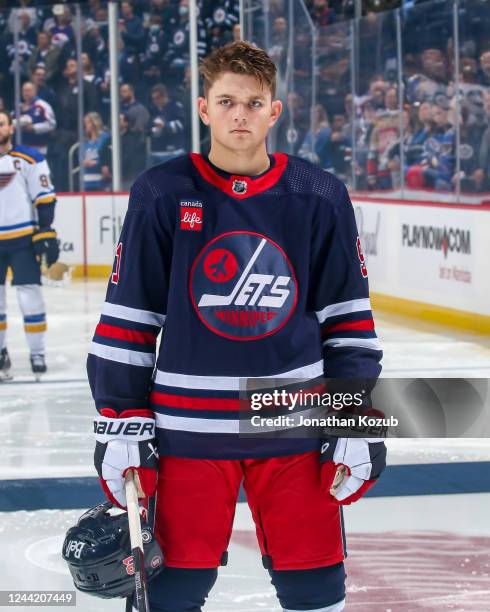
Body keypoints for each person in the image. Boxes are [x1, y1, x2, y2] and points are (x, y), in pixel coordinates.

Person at [88, 41, 386, 612]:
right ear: (204, 109)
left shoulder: (320, 195)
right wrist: (119, 421)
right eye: (227, 101)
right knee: (172, 594)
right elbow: (129, 317)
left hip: (293, 425)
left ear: (275, 111)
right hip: (186, 432)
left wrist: (354, 416)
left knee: (317, 591)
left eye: (254, 102)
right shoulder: (162, 193)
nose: (240, 114)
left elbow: (348, 323)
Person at [0, 110, 59, 379]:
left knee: (30, 297)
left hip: (22, 239)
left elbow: (44, 197)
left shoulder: (29, 158)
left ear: (10, 127)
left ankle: (38, 353)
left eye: (0, 123)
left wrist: (45, 230)